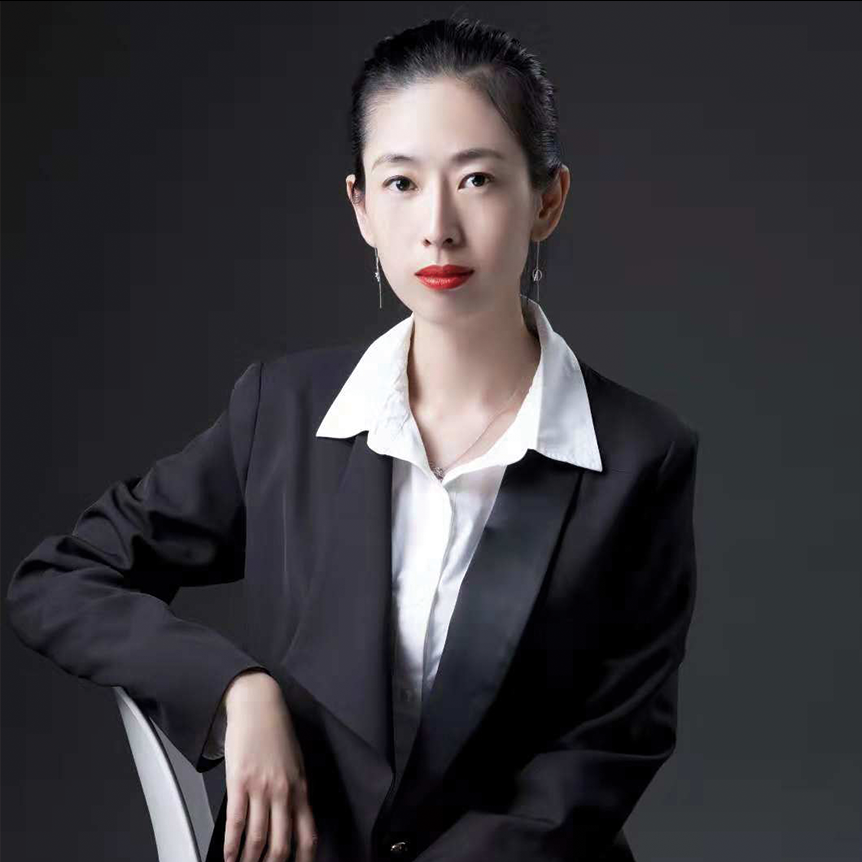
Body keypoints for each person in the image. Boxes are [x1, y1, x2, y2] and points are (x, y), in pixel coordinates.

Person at [5, 14, 700, 862]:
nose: (437, 225)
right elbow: (60, 579)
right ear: (362, 207)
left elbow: (605, 751)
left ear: (546, 200)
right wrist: (234, 689)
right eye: (401, 183)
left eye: (478, 179)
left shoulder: (639, 457)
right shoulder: (284, 410)